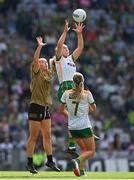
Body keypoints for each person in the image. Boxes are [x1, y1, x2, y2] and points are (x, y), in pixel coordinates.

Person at [50, 20, 99, 157]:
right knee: (74, 114)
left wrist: (79, 34)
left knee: (76, 114)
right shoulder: (59, 59)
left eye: (67, 48)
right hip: (66, 86)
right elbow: (59, 44)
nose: (67, 49)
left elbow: (81, 47)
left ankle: (72, 145)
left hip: (75, 86)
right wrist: (65, 32)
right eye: (65, 48)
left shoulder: (71, 59)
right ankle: (78, 140)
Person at [26, 36, 60, 174]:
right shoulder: (36, 72)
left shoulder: (48, 73)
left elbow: (55, 60)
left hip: (45, 107)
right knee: (34, 137)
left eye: (45, 62)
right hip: (35, 106)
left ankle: (50, 160)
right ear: (37, 65)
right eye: (42, 62)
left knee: (47, 136)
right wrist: (39, 46)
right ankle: (29, 163)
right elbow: (35, 59)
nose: (44, 64)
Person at [60, 72, 96, 177]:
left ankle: (82, 172)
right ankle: (77, 161)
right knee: (91, 152)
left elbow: (61, 110)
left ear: (73, 82)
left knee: (84, 150)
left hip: (72, 127)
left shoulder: (66, 93)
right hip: (84, 126)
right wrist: (87, 107)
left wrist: (71, 116)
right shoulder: (87, 94)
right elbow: (94, 109)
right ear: (82, 82)